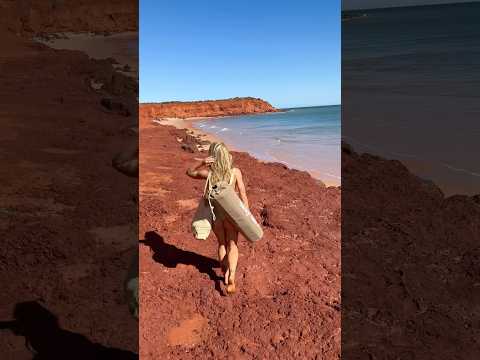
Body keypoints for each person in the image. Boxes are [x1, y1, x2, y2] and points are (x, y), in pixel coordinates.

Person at [187, 142, 249, 294]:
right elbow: (243, 194)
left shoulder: (209, 174)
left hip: (216, 217)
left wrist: (202, 162)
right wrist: (246, 213)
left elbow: (189, 172)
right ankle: (231, 275)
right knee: (233, 244)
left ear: (213, 157)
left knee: (222, 244)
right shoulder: (235, 172)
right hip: (232, 215)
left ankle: (224, 271)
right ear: (227, 156)